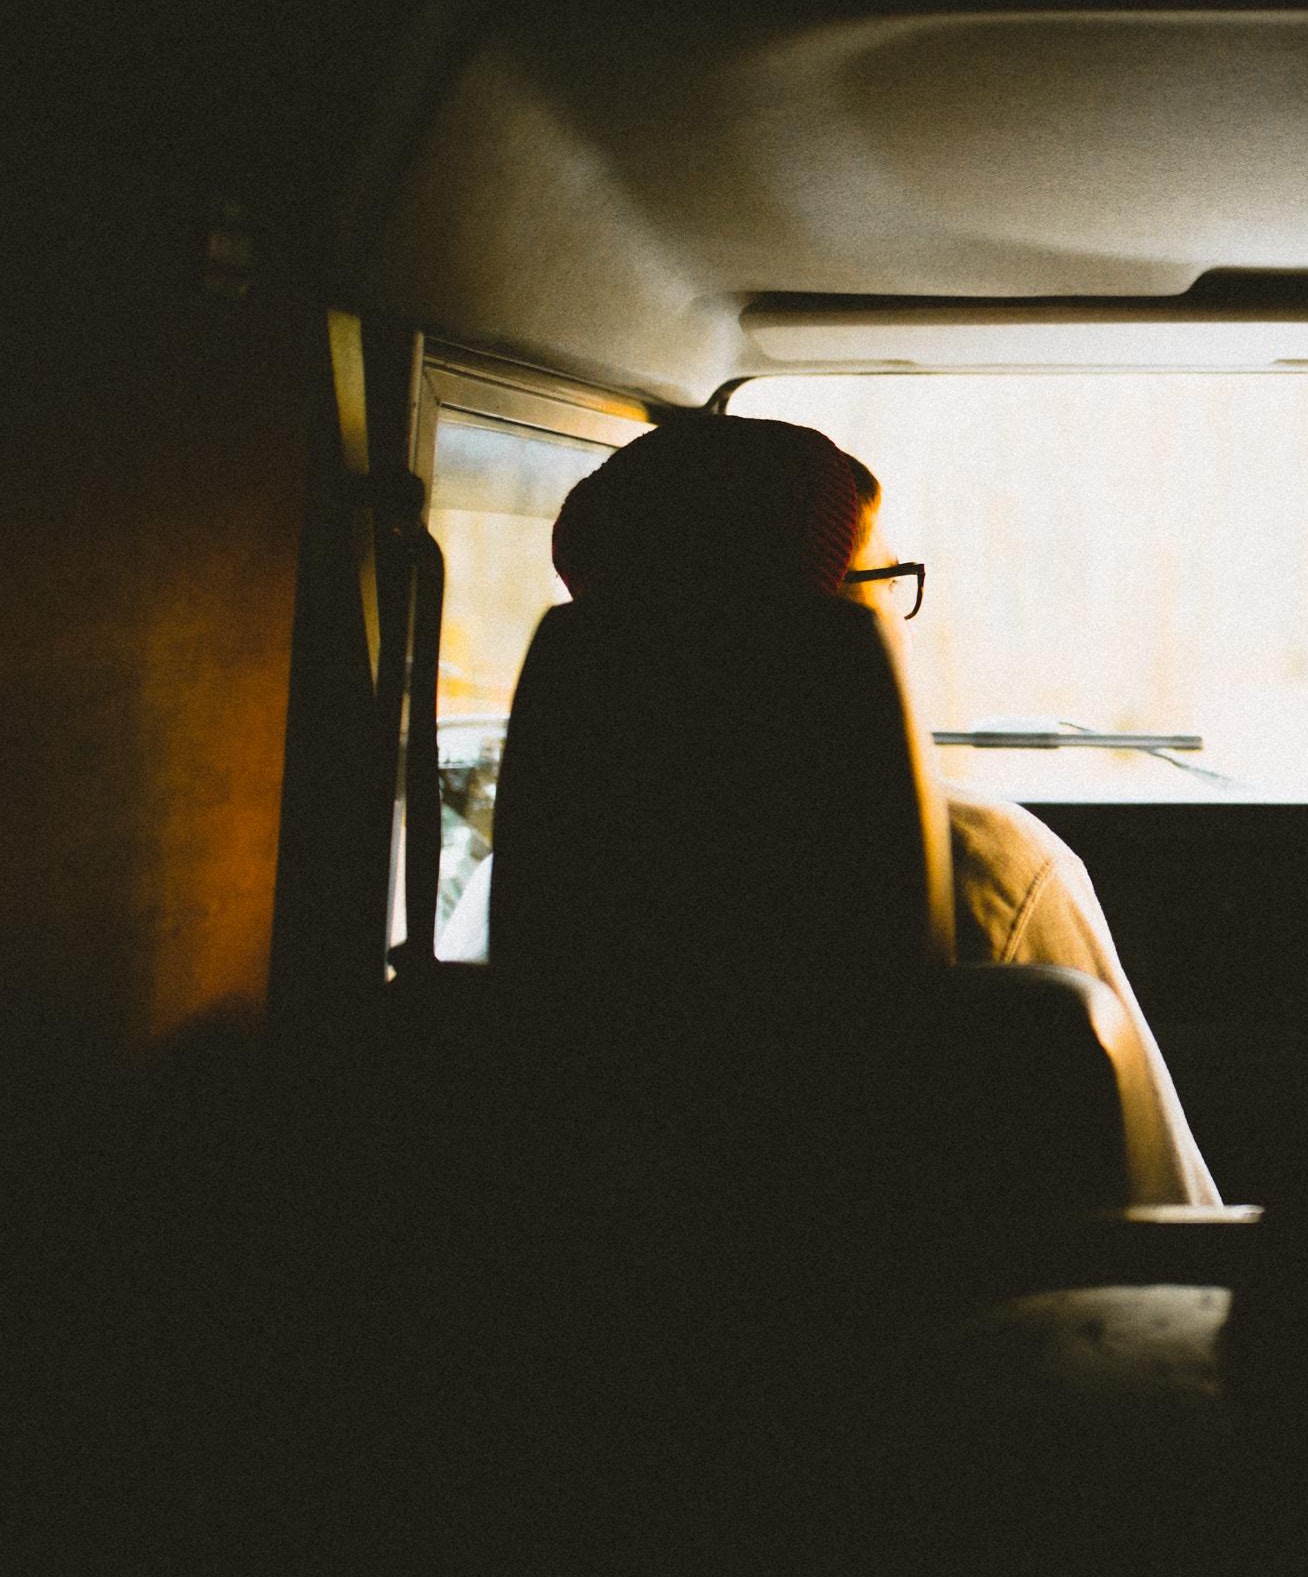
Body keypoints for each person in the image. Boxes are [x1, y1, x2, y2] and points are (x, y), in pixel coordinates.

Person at [459, 413, 1219, 1204]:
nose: (902, 627)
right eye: (882, 584)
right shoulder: (990, 867)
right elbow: (1167, 1214)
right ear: (801, 630)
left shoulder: (522, 887)